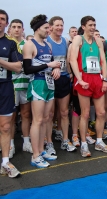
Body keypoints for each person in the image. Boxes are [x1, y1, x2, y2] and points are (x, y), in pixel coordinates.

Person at [70, 15, 107, 157]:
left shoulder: (98, 41)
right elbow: (73, 60)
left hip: (97, 78)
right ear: (83, 27)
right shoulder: (78, 39)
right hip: (84, 77)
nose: (93, 27)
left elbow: (103, 62)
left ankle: (99, 141)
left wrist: (105, 80)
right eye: (90, 25)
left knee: (101, 112)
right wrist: (79, 79)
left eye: (94, 25)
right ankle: (84, 144)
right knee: (85, 113)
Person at [23, 14, 61, 168]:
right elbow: (27, 69)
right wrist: (49, 66)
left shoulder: (48, 45)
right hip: (37, 83)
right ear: (38, 28)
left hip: (49, 83)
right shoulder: (29, 45)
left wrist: (56, 69)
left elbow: (52, 63)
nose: (48, 30)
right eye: (46, 28)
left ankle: (41, 150)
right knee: (37, 120)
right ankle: (35, 155)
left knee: (46, 118)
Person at [47, 16, 76, 153]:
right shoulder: (47, 42)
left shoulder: (65, 41)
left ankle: (65, 140)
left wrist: (69, 73)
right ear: (51, 27)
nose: (59, 28)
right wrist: (53, 69)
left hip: (64, 79)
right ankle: (49, 142)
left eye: (61, 25)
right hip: (50, 80)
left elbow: (67, 60)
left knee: (64, 112)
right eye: (57, 25)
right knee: (50, 113)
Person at [0, 9, 22, 178]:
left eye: (2, 19)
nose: (0, 21)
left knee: (6, 126)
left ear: (5, 23)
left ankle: (5, 161)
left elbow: (17, 67)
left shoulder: (10, 43)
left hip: (5, 87)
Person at [10, 19, 33, 157]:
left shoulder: (27, 44)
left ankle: (26, 142)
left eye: (19, 27)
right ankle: (10, 144)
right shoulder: (7, 44)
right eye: (14, 27)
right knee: (11, 117)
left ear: (23, 29)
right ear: (10, 29)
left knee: (26, 115)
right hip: (11, 85)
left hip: (26, 83)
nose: (17, 29)